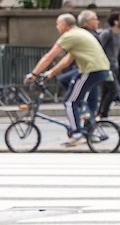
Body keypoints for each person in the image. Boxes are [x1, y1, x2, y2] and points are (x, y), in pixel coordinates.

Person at [32, 12, 111, 148]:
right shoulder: (80, 33)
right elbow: (67, 60)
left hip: (91, 70)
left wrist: (34, 73)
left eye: (57, 24)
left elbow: (48, 57)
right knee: (67, 81)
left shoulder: (69, 36)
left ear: (64, 25)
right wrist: (51, 72)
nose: (57, 27)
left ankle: (77, 135)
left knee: (69, 102)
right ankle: (84, 115)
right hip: (100, 70)